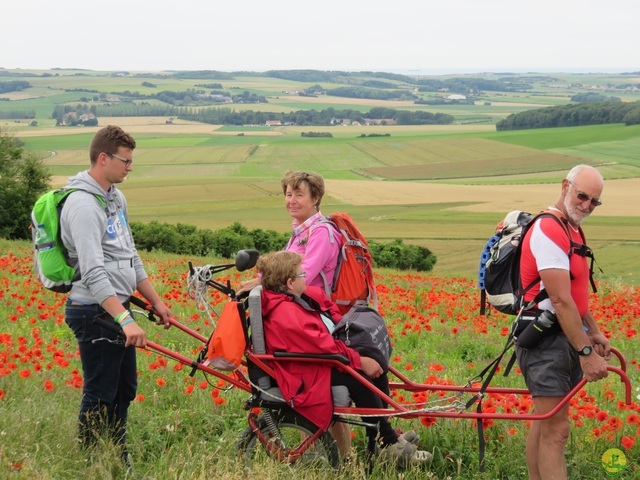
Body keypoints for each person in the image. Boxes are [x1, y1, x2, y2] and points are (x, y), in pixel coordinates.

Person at [61, 125, 174, 464]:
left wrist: (155, 301)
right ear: (103, 158)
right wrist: (124, 320)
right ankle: (91, 461)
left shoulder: (115, 198)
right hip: (94, 311)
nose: (130, 167)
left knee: (124, 390)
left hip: (116, 309)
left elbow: (130, 254)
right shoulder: (82, 206)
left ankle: (115, 451)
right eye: (126, 161)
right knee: (100, 393)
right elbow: (94, 272)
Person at [255, 251, 432, 468]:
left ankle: (378, 442)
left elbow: (328, 326)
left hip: (315, 364)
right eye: (303, 274)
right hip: (307, 374)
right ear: (290, 282)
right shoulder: (286, 313)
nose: (306, 278)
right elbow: (323, 347)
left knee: (374, 366)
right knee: (360, 376)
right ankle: (387, 441)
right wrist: (359, 360)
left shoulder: (294, 299)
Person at [515, 164, 611, 480]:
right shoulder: (550, 228)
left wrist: (593, 331)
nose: (586, 205)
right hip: (545, 340)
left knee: (545, 423)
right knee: (557, 431)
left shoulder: (572, 229)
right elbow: (559, 299)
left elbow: (574, 294)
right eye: (582, 196)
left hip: (563, 336)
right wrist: (586, 354)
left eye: (594, 201)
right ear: (565, 185)